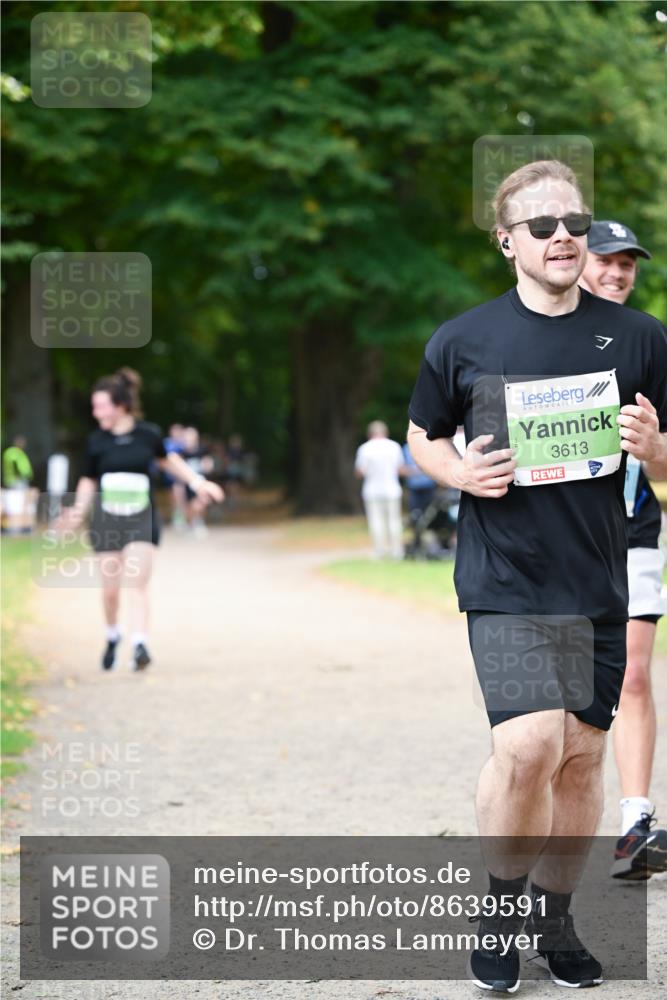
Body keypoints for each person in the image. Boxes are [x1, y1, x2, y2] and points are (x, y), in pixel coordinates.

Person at [407, 160, 667, 992]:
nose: (564, 237)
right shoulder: (461, 339)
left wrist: (654, 451)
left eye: (574, 223)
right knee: (527, 747)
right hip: (504, 577)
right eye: (542, 227)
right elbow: (423, 436)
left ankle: (553, 921)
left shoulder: (638, 337)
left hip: (597, 576)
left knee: (581, 763)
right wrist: (458, 476)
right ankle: (498, 909)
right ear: (505, 241)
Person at [580, 220, 667, 878]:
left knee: (632, 673)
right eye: (604, 261)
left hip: (632, 528)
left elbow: (665, 461)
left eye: (626, 265)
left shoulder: (647, 340)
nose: (615, 273)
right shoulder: (536, 336)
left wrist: (653, 450)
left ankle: (635, 821)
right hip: (552, 539)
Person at [60, 369, 223, 671]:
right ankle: (112, 634)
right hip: (107, 521)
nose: (96, 413)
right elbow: (88, 480)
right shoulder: (97, 441)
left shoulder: (147, 434)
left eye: (101, 406)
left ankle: (140, 644)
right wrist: (78, 511)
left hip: (141, 519)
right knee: (110, 591)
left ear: (120, 406)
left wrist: (199, 483)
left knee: (138, 584)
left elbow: (168, 462)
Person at [354, 421, 406, 559]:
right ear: (385, 432)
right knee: (394, 520)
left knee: (376, 521)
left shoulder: (365, 449)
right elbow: (400, 468)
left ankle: (379, 550)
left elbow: (360, 471)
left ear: (369, 434)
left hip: (372, 490)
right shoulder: (393, 447)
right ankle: (396, 551)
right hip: (391, 489)